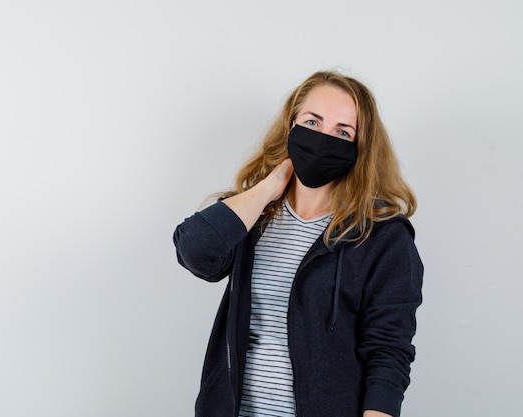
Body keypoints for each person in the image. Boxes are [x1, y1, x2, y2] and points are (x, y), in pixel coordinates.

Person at [173, 70, 423, 417]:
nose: (324, 138)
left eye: (342, 132)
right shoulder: (253, 215)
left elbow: (389, 352)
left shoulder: (382, 236)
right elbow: (195, 252)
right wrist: (270, 185)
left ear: (360, 147)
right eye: (312, 122)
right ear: (291, 126)